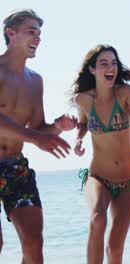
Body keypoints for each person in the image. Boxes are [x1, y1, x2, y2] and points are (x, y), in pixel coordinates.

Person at [0, 9, 76, 263]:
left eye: (39, 33)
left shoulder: (35, 81)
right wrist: (35, 137)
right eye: (31, 31)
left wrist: (57, 127)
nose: (38, 38)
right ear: (11, 33)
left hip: (15, 166)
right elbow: (33, 135)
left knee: (34, 242)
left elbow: (38, 128)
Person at [71, 44, 130, 263]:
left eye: (113, 63)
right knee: (97, 219)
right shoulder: (82, 99)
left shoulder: (124, 93)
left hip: (129, 181)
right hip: (98, 177)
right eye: (103, 63)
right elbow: (84, 123)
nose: (110, 67)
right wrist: (78, 138)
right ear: (92, 69)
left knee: (115, 249)